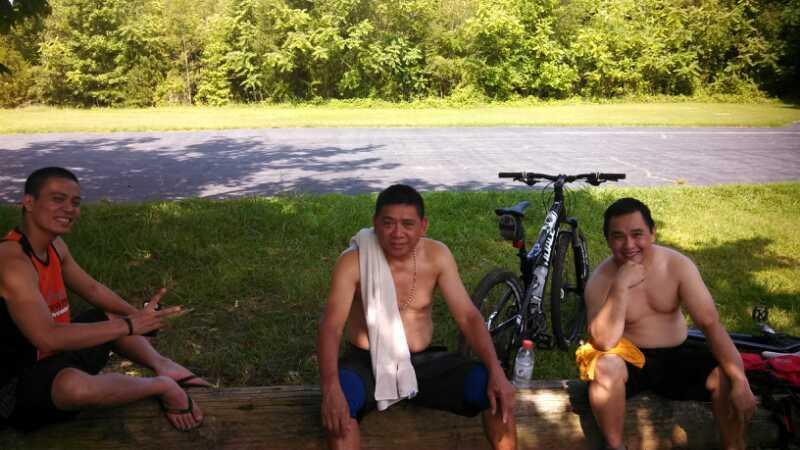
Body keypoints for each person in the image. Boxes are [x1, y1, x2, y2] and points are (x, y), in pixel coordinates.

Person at [0, 167, 211, 432]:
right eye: (57, 199)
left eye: (75, 203)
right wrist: (131, 325)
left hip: (58, 355)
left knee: (111, 316)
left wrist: (139, 315)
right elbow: (47, 337)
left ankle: (163, 366)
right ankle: (161, 386)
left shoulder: (55, 246)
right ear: (28, 202)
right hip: (16, 381)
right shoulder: (12, 260)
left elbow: (92, 290)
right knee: (74, 388)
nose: (69, 209)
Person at [317, 184, 517, 450]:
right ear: (375, 223)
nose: (397, 233)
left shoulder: (437, 256)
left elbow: (468, 317)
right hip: (367, 363)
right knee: (341, 413)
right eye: (388, 223)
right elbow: (331, 327)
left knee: (491, 390)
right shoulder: (354, 262)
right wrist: (331, 388)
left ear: (423, 226)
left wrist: (496, 370)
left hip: (423, 364)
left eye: (407, 224)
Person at [580, 197, 756, 450]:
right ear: (608, 240)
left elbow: (711, 325)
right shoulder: (601, 280)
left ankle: (734, 446)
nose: (629, 244)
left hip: (676, 357)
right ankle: (615, 445)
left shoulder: (677, 266)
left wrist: (741, 381)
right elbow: (603, 341)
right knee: (605, 365)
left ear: (652, 232)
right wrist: (620, 286)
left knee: (726, 375)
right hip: (628, 360)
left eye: (637, 234)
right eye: (618, 236)